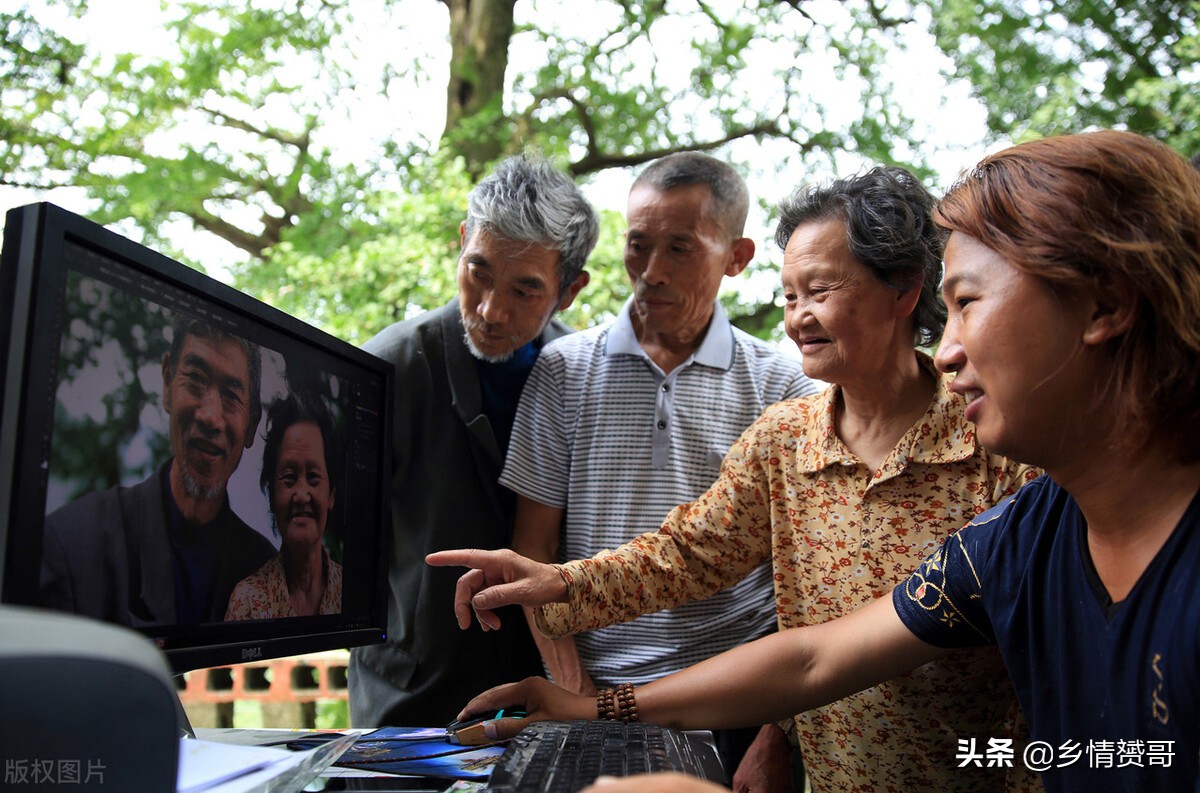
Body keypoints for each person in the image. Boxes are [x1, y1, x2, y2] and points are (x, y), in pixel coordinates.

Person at [435, 131, 1200, 793]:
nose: (952, 345)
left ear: (1104, 307)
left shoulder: (1019, 478)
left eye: (967, 301)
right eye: (790, 292)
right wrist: (583, 665)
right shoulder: (1021, 533)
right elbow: (804, 653)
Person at [499, 151, 815, 772]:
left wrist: (780, 732)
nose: (651, 272)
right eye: (638, 246)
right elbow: (532, 550)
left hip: (738, 701)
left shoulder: (785, 386)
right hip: (597, 692)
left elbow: (807, 579)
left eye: (680, 249)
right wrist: (577, 694)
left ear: (737, 257)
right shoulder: (565, 372)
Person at [347, 154, 599, 727]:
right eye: (478, 272)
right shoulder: (389, 367)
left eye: (524, 291)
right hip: (411, 692)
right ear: (462, 241)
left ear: (570, 290)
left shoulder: (586, 375)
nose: (490, 310)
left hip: (552, 688)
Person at [40, 316, 275, 626]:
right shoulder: (71, 545)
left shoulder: (265, 570)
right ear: (167, 384)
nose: (210, 417)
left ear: (252, 424)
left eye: (231, 396)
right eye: (195, 378)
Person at [226, 390, 343, 619]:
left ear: (331, 495)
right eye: (289, 477)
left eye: (313, 477)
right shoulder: (246, 601)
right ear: (271, 493)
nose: (301, 495)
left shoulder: (350, 593)